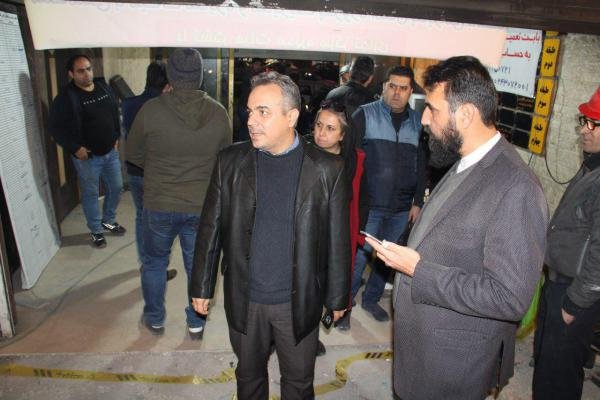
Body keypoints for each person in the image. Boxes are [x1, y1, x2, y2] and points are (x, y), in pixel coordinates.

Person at [365, 56, 548, 400]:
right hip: (424, 354)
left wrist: (418, 270)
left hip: (452, 367)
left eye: (432, 109)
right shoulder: (466, 161)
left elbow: (509, 298)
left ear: (465, 114)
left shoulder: (517, 187)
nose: (423, 119)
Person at [190, 71, 350, 399]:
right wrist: (201, 285)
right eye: (250, 111)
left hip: (298, 300)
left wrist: (337, 296)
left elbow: (338, 239)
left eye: (263, 112)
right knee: (248, 378)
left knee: (298, 383)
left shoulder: (326, 169)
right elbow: (210, 228)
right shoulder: (230, 162)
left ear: (291, 117)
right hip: (245, 297)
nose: (251, 121)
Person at [126, 48, 231, 339]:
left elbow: (133, 154)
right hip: (200, 205)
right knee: (197, 266)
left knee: (154, 262)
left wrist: (158, 167)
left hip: (159, 202)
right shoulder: (218, 113)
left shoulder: (151, 111)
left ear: (170, 75)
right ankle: (196, 321)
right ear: (200, 76)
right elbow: (225, 159)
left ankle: (155, 318)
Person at [345, 65, 426, 326]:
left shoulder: (418, 122)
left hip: (401, 208)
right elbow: (349, 160)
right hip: (369, 205)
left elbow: (422, 164)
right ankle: (344, 307)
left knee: (387, 259)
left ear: (410, 91)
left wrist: (417, 201)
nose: (397, 93)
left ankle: (371, 300)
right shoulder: (364, 115)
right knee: (358, 257)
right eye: (392, 86)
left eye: (403, 88)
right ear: (383, 87)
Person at [533, 87, 600, 400]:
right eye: (583, 121)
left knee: (559, 374)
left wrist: (576, 302)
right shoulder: (592, 165)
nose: (584, 130)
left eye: (593, 124)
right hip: (558, 283)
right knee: (547, 362)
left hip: (574, 291)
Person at [49, 54, 125, 248]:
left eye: (89, 69)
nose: (87, 74)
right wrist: (75, 148)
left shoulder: (103, 87)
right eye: (81, 71)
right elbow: (55, 128)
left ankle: (108, 220)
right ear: (71, 74)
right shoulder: (66, 98)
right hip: (87, 158)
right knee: (91, 194)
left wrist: (116, 136)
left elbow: (114, 112)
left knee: (116, 188)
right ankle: (96, 230)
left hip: (110, 152)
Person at [122, 61, 177, 282]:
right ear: (167, 84)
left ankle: (146, 265)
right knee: (160, 222)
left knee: (141, 217)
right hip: (158, 175)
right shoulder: (166, 108)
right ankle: (157, 269)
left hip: (135, 171)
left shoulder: (129, 104)